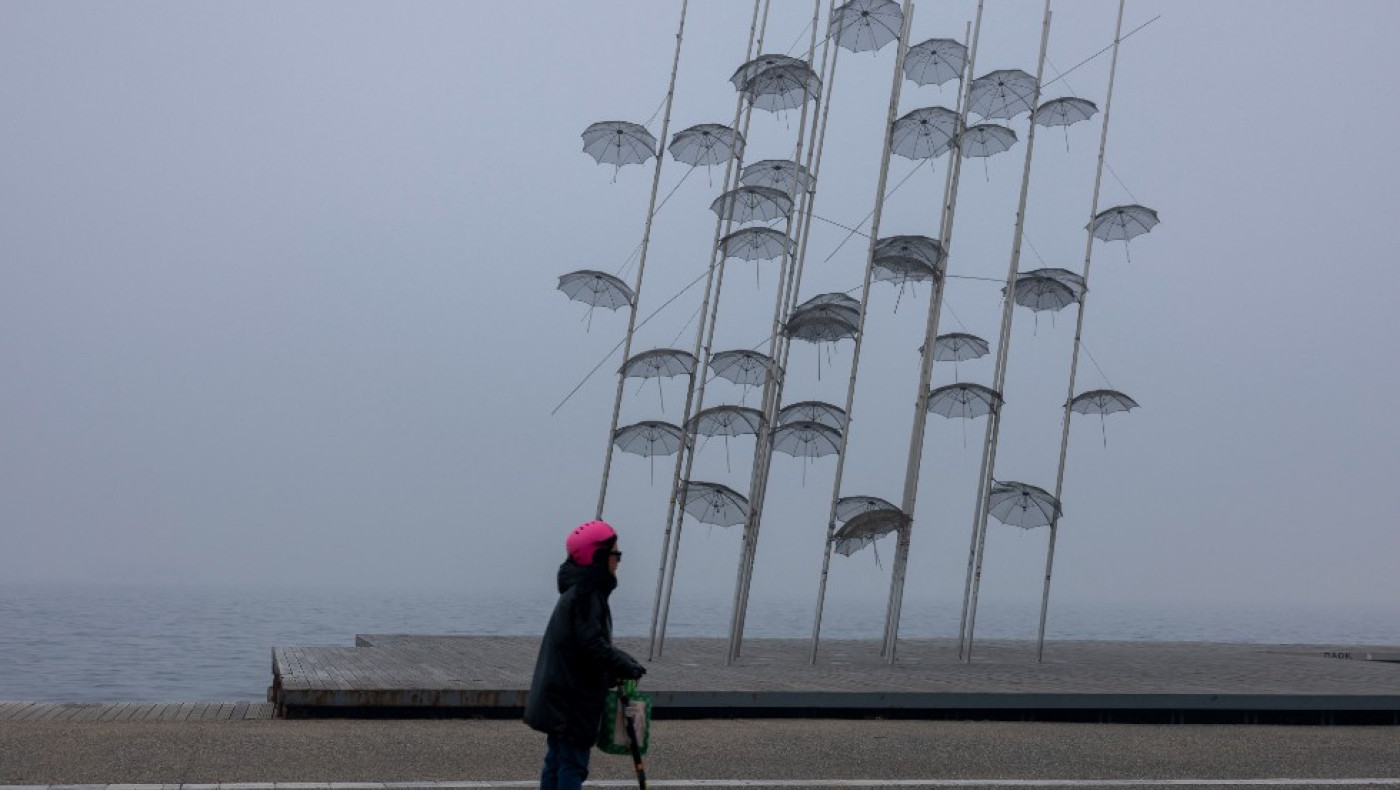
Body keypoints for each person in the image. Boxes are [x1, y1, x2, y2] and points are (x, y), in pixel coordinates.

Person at [524, 519, 646, 790]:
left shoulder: (578, 592)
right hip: (572, 699)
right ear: (599, 557)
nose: (619, 560)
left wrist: (619, 661)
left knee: (557, 759)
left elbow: (586, 643)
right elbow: (593, 645)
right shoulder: (587, 595)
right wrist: (625, 665)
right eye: (616, 554)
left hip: (560, 693)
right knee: (572, 763)